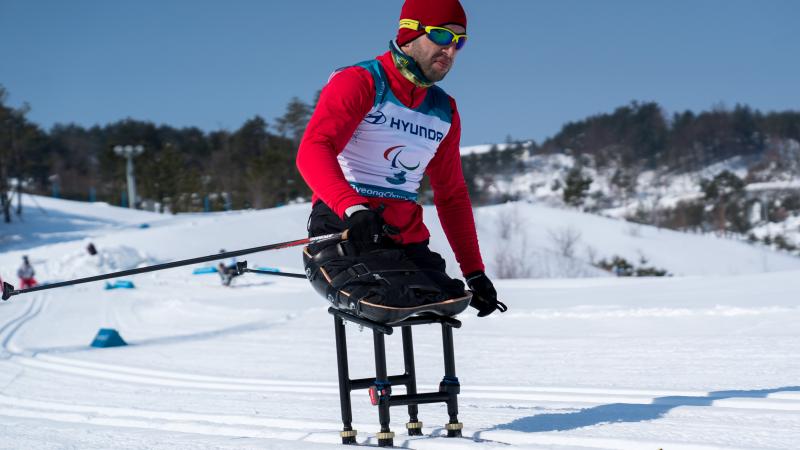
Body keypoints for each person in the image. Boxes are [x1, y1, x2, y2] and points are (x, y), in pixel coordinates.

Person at [297, 0, 506, 322]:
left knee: (447, 299)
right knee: (383, 299)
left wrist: (474, 271)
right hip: (348, 226)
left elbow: (451, 195)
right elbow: (313, 149)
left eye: (459, 42)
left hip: (405, 236)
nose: (450, 51)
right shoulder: (361, 81)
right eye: (441, 36)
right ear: (409, 34)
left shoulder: (444, 109)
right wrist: (353, 208)